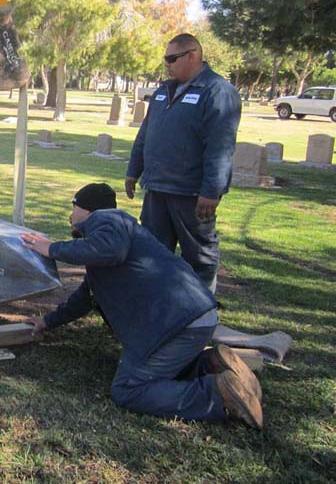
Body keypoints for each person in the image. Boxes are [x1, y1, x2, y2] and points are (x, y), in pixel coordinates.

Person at [23, 183, 263, 429]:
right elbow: (85, 297)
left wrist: (51, 248)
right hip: (192, 319)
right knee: (156, 371)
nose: (70, 217)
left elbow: (109, 250)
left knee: (129, 389)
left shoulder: (107, 219)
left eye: (72, 209)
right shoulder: (111, 239)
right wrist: (47, 322)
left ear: (83, 208)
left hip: (177, 324)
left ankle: (217, 393)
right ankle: (210, 365)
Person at [126, 33, 241, 293]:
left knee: (199, 257)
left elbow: (220, 146)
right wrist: (134, 170)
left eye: (172, 58)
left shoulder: (217, 91)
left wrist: (212, 191)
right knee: (152, 254)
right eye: (165, 59)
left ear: (192, 55)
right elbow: (146, 133)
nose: (167, 64)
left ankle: (200, 313)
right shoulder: (162, 91)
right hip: (157, 188)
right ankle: (159, 309)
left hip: (190, 193)